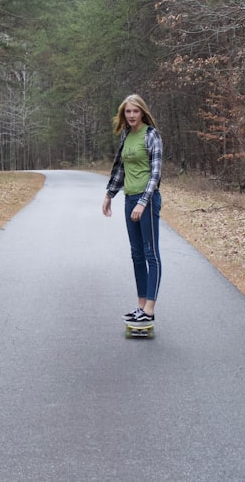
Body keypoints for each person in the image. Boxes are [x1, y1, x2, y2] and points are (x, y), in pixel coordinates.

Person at [102, 94, 163, 324]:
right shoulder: (126, 136)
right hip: (129, 199)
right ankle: (140, 306)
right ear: (123, 114)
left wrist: (142, 202)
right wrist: (109, 194)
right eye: (128, 112)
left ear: (142, 112)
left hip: (146, 201)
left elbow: (155, 174)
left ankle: (149, 309)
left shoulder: (151, 135)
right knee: (136, 254)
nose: (131, 115)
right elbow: (120, 170)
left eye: (135, 111)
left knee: (151, 253)